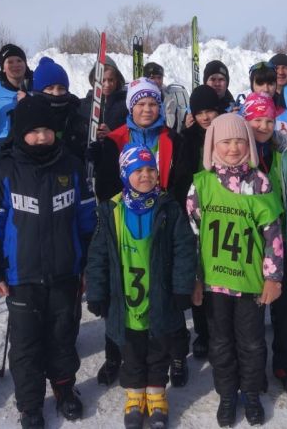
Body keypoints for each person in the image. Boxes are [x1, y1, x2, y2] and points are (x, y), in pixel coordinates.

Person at [0, 95, 97, 428]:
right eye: (34, 131)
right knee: (26, 346)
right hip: (21, 277)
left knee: (62, 337)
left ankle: (64, 389)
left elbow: (87, 219)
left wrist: (86, 263)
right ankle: (29, 404)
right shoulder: (3, 172)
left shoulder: (71, 167)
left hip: (65, 274)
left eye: (48, 130)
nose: (42, 137)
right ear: (20, 133)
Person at [85, 144, 196, 429]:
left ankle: (157, 394)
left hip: (159, 295)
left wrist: (183, 286)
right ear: (125, 173)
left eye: (150, 170)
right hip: (124, 300)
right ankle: (135, 396)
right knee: (131, 351)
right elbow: (98, 255)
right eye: (138, 171)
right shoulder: (111, 210)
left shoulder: (168, 207)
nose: (145, 175)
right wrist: (96, 292)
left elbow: (184, 249)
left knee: (159, 348)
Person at [187, 113, 284, 427]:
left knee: (252, 342)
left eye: (239, 141)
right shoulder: (201, 184)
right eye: (225, 141)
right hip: (216, 283)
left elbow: (273, 234)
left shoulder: (260, 182)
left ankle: (252, 393)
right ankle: (227, 395)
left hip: (249, 283)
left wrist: (273, 276)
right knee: (220, 343)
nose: (232, 148)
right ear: (213, 144)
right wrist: (195, 278)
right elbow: (193, 236)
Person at [90, 77, 186, 386]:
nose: (147, 109)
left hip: (163, 220)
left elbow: (181, 181)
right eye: (141, 103)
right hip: (126, 222)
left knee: (166, 289)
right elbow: (105, 186)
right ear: (131, 106)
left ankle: (176, 355)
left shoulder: (172, 139)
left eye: (152, 103)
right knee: (122, 292)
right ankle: (114, 355)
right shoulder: (115, 138)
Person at [240, 92, 287, 397]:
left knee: (285, 308)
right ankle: (253, 370)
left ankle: (284, 365)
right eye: (256, 119)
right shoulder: (236, 152)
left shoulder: (284, 152)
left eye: (268, 119)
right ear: (245, 120)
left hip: (281, 244)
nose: (263, 125)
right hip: (247, 245)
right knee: (251, 315)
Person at [171, 84, 220, 360]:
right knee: (200, 275)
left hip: (225, 212)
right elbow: (180, 179)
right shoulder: (187, 139)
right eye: (199, 112)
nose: (205, 117)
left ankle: (221, 331)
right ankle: (202, 332)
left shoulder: (227, 131)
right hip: (196, 214)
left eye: (210, 110)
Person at [30, 56, 85, 159]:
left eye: (61, 88)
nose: (56, 93)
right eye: (50, 88)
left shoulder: (77, 114)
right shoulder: (29, 117)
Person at [78, 56, 128, 158]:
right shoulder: (83, 105)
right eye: (102, 80)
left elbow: (131, 133)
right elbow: (77, 133)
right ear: (94, 80)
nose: (107, 84)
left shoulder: (125, 104)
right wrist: (90, 134)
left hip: (116, 159)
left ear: (117, 80)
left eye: (111, 80)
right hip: (91, 161)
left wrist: (113, 135)